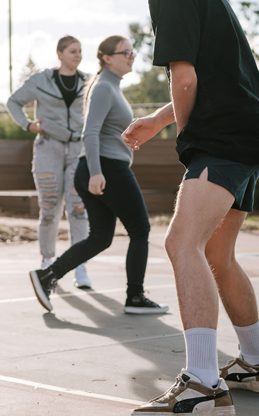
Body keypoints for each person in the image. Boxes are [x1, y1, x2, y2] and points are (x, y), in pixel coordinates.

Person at [110, 0, 259, 415]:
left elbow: (185, 77)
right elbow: (205, 78)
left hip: (225, 138)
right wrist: (159, 119)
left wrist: (186, 138)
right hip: (248, 133)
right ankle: (256, 363)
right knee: (215, 254)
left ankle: (204, 382)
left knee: (181, 243)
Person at [28, 36, 168, 315]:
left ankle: (47, 276)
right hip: (105, 168)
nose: (131, 56)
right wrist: (95, 172)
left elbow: (103, 131)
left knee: (101, 237)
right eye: (125, 51)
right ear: (107, 58)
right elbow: (89, 133)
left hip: (104, 166)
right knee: (140, 229)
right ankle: (135, 297)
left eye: (132, 52)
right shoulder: (104, 87)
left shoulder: (111, 87)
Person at [7, 36, 92, 289]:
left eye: (80, 51)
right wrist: (28, 124)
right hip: (48, 149)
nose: (77, 55)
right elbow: (13, 102)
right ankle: (47, 261)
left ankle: (80, 267)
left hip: (78, 149)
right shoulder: (40, 80)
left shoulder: (88, 81)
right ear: (60, 54)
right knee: (50, 208)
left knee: (78, 208)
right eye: (72, 51)